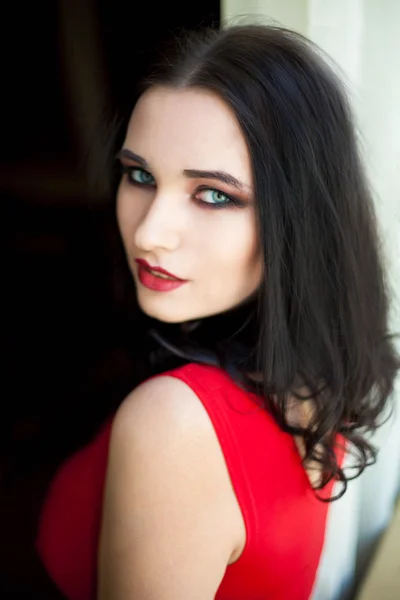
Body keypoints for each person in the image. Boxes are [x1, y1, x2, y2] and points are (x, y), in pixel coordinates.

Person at [36, 24, 399, 600]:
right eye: (139, 175)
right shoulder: (315, 371)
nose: (150, 233)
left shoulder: (173, 426)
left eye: (213, 194)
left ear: (298, 220)